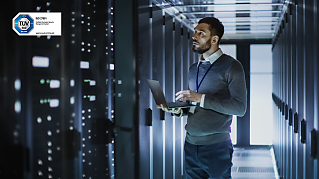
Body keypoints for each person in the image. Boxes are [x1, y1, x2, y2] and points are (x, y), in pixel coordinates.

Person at [157, 17, 247, 179]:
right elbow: (197, 105)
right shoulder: (194, 69)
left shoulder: (232, 66)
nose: (194, 36)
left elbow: (239, 108)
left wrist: (201, 98)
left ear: (214, 39)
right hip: (191, 144)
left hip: (216, 146)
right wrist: (180, 110)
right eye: (195, 32)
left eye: (201, 33)